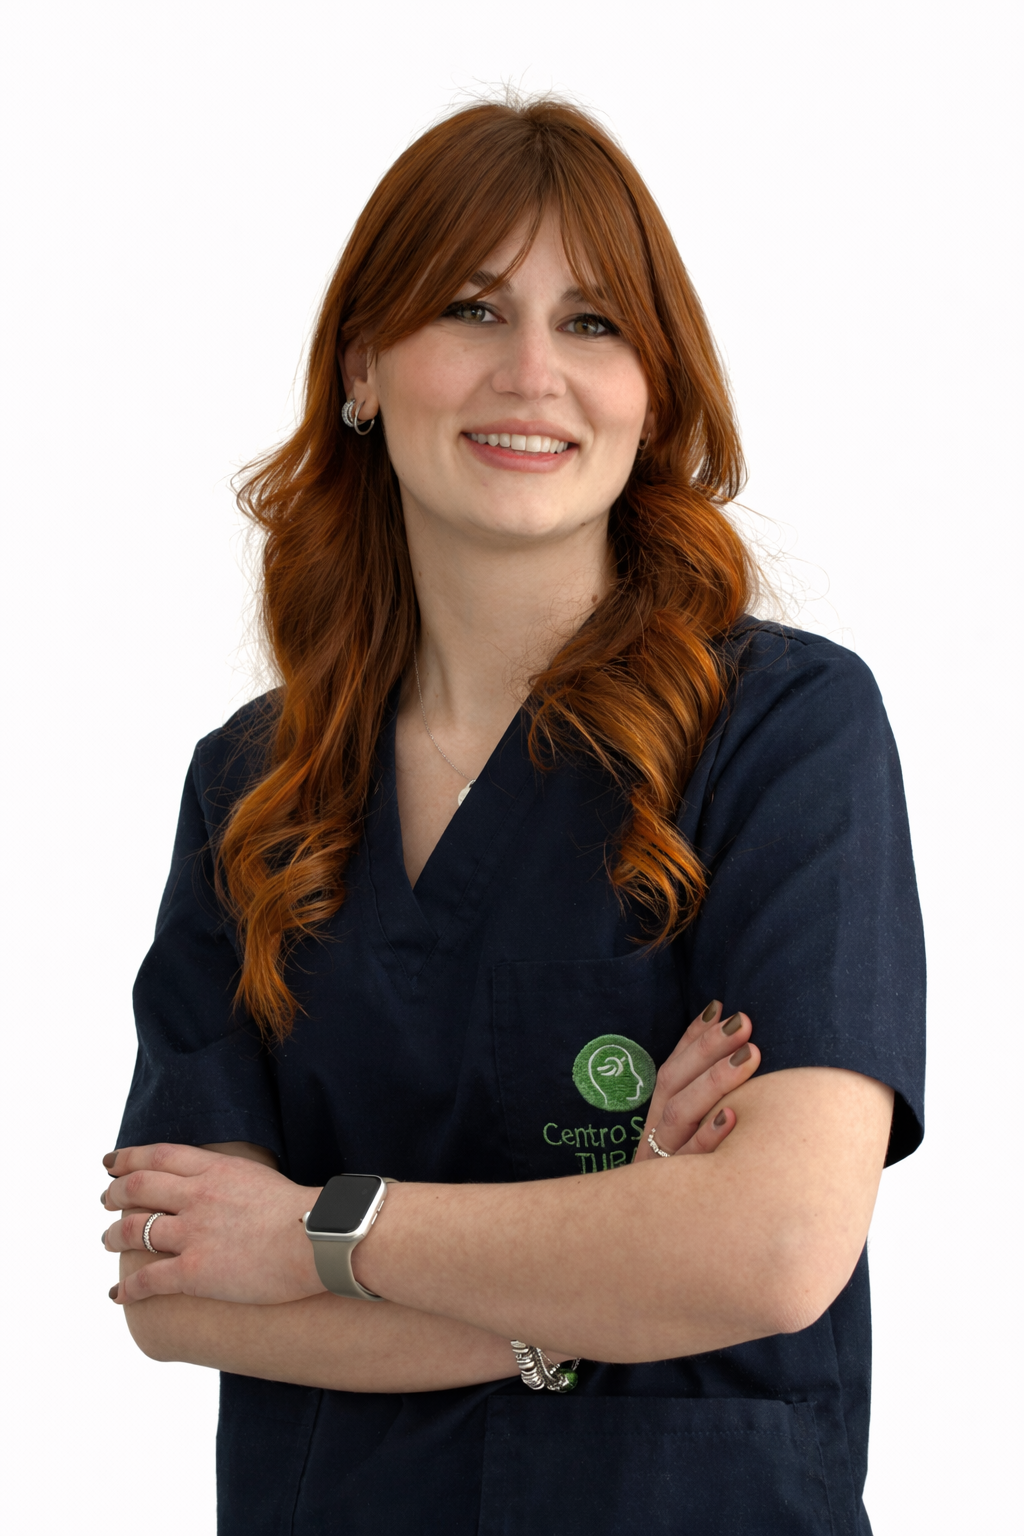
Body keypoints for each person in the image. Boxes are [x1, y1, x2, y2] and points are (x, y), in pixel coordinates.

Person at [102, 97, 925, 1535]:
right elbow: (178, 1287)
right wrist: (611, 1275)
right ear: (363, 365)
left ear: (655, 391)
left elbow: (778, 1247)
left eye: (593, 324)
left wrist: (316, 1234)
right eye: (472, 309)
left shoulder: (785, 736)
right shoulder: (254, 787)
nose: (533, 372)